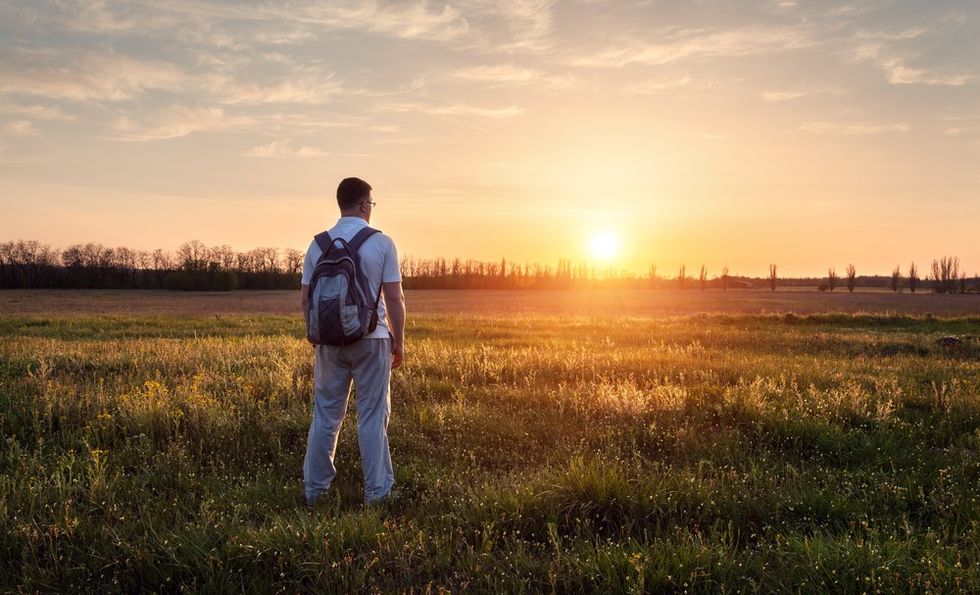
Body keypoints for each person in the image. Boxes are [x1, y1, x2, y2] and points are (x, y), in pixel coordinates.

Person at [300, 177, 405, 508]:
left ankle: (315, 492)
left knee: (326, 416)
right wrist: (398, 342)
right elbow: (395, 298)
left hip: (328, 341)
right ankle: (378, 494)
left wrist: (316, 336)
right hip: (372, 338)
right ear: (364, 205)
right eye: (371, 204)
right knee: (372, 416)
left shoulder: (317, 245)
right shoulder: (382, 243)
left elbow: (306, 299)